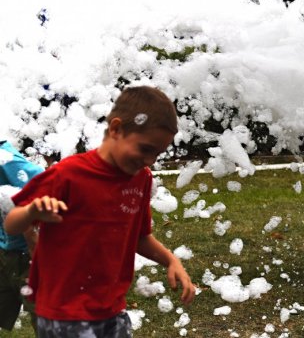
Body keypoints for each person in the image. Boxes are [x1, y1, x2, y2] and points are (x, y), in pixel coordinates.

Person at [4, 86, 195, 338]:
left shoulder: (141, 178)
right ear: (116, 129)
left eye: (157, 154)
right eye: (145, 149)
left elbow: (140, 237)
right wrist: (31, 211)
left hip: (111, 309)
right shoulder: (68, 174)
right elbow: (11, 224)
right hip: (64, 312)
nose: (149, 161)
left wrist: (171, 260)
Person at [0, 140, 44, 334]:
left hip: (26, 255)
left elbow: (41, 191)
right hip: (5, 251)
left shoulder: (8, 161)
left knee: (45, 317)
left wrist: (34, 246)